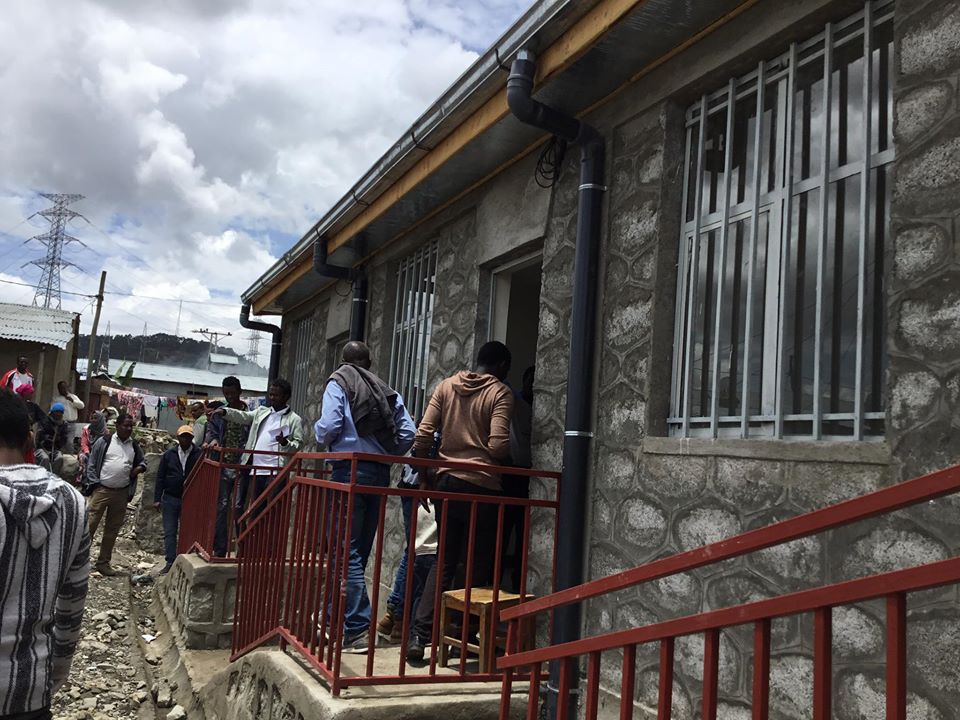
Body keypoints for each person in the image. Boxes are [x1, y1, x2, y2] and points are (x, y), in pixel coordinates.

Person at [408, 341, 514, 662]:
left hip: (447, 483)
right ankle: (461, 637)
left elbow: (423, 435)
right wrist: (508, 466)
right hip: (482, 487)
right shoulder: (500, 393)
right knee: (476, 564)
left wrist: (425, 475)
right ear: (502, 366)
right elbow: (497, 446)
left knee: (444, 559)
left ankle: (419, 635)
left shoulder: (446, 386)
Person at [314, 341, 416, 652]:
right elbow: (409, 433)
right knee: (357, 550)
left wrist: (320, 435)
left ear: (343, 361)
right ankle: (332, 618)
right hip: (379, 473)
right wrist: (387, 453)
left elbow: (330, 425)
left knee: (346, 551)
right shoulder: (386, 391)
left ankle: (357, 629)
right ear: (369, 363)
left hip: (349, 469)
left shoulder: (338, 382)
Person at [0, 390, 90, 719]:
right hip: (33, 690)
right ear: (28, 439)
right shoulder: (73, 502)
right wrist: (54, 675)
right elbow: (72, 605)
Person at [212, 378, 305, 516]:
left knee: (273, 512)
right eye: (270, 394)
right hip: (256, 471)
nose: (272, 398)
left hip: (276, 472)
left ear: (286, 396)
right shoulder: (262, 412)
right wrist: (225, 412)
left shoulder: (294, 419)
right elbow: (243, 416)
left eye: (276, 395)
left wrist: (285, 443)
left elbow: (298, 444)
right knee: (255, 511)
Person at [84, 412, 147, 576]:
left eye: (131, 426)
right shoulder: (105, 441)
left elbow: (143, 461)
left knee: (112, 530)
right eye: (125, 425)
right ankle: (79, 561)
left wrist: (139, 468)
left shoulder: (134, 446)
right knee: (89, 526)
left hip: (121, 493)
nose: (128, 428)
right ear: (117, 426)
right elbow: (92, 463)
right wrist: (95, 484)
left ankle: (103, 563)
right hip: (102, 490)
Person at [204, 377, 250, 557]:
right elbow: (212, 431)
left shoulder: (249, 414)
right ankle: (220, 549)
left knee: (238, 507)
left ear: (240, 392)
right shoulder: (219, 414)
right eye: (226, 393)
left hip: (242, 466)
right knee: (221, 507)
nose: (229, 396)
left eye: (232, 393)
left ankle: (242, 548)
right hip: (223, 465)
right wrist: (213, 440)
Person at [501, 365, 534, 593]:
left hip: (528, 476)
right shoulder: (515, 401)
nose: (534, 386)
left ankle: (518, 583)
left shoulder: (535, 407)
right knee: (503, 529)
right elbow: (505, 387)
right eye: (531, 381)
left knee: (524, 533)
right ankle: (494, 581)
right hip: (512, 474)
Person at [153, 425, 202, 576]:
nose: (185, 439)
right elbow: (160, 477)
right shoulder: (169, 454)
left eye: (188, 436)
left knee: (188, 531)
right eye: (183, 436)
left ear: (192, 438)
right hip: (170, 497)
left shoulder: (199, 454)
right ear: (178, 437)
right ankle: (170, 562)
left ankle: (185, 560)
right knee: (169, 531)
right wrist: (157, 498)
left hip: (190, 499)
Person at [35, 403, 69, 475]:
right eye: (57, 412)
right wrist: (46, 438)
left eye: (60, 413)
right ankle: (42, 476)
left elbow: (64, 439)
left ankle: (53, 476)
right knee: (45, 458)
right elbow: (38, 436)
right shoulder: (44, 421)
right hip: (42, 448)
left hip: (55, 449)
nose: (58, 414)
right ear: (52, 413)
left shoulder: (63, 425)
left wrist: (58, 440)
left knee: (59, 458)